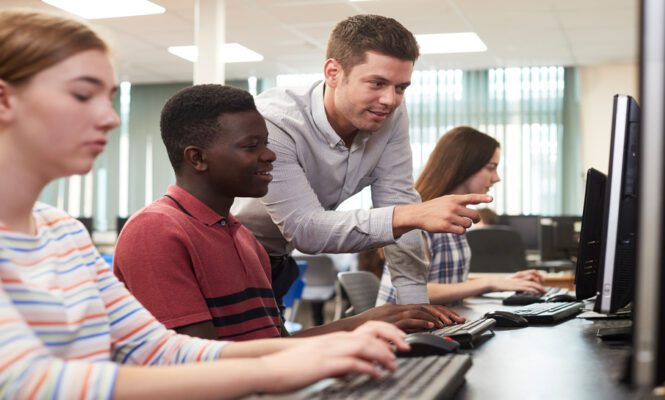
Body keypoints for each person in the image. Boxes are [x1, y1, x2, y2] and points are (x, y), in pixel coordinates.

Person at [0, 10, 407, 398]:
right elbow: (30, 383)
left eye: (108, 97)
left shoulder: (64, 233)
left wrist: (329, 346)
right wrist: (277, 368)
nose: (110, 118)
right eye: (82, 94)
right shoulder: (154, 230)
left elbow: (162, 350)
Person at [114, 84, 464, 340]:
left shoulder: (244, 239)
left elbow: (276, 345)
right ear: (197, 158)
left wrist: (370, 321)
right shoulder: (156, 232)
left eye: (266, 143)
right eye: (253, 146)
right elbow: (199, 366)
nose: (270, 156)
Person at [231, 14, 490, 307]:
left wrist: (416, 308)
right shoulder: (275, 122)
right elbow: (306, 229)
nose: (390, 100)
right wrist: (410, 215)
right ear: (333, 72)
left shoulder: (388, 114)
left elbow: (398, 197)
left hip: (276, 261)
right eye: (376, 83)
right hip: (223, 258)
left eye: (401, 87)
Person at [377, 127, 546, 305]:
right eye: (491, 168)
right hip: (400, 330)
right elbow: (409, 292)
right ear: (465, 166)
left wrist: (507, 281)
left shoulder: (455, 218)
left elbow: (450, 286)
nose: (496, 178)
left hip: (440, 324)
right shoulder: (419, 218)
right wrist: (489, 283)